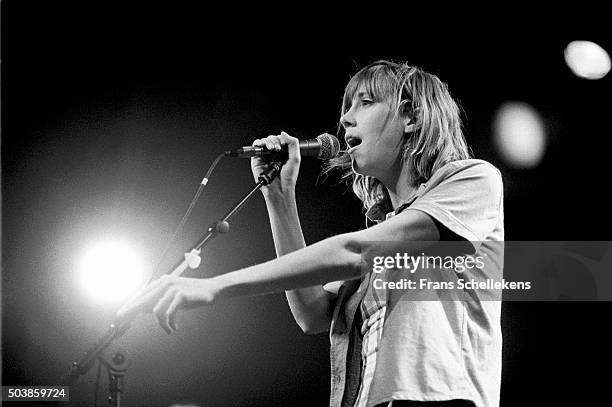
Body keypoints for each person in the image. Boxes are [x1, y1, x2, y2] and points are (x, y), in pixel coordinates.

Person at [117, 60, 504, 407]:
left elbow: (355, 251)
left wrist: (214, 286)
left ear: (411, 117)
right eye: (346, 109)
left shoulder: (473, 181)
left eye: (365, 103)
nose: (346, 120)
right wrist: (280, 199)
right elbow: (312, 311)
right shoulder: (384, 232)